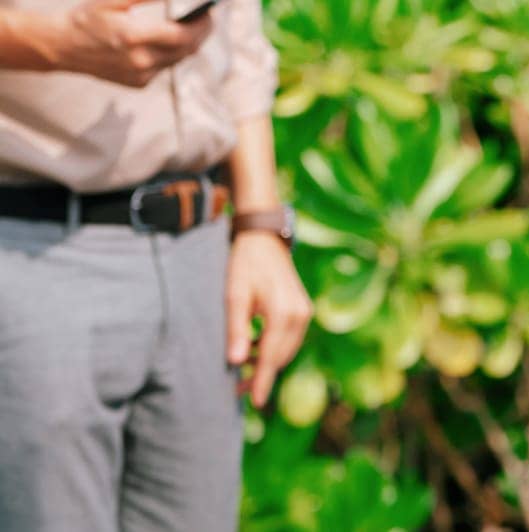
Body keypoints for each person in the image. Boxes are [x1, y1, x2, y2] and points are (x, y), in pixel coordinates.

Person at [0, 0, 310, 529]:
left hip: (200, 251)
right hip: (33, 249)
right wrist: (48, 40)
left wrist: (260, 223)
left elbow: (237, 27)